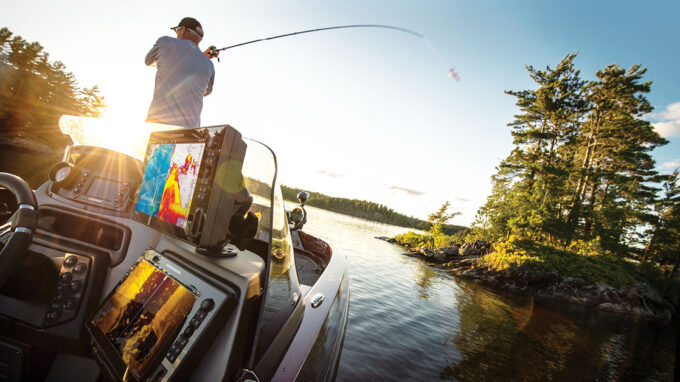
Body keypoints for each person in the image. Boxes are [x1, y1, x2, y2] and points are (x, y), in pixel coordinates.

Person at [145, 17, 219, 129]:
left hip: (158, 124)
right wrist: (202, 58)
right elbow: (205, 91)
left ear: (183, 29)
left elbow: (149, 61)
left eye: (177, 30)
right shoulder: (209, 65)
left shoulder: (165, 42)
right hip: (190, 131)